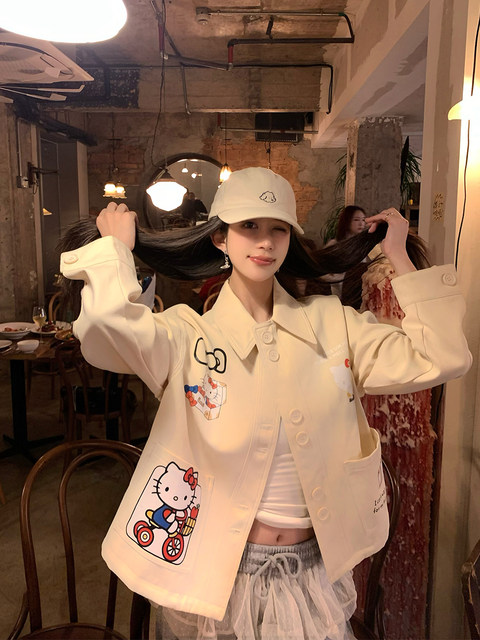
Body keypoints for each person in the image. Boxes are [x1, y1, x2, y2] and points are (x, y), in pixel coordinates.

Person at [59, 167, 471, 640]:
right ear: (220, 238)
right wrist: (115, 250)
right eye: (248, 225)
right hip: (215, 574)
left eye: (278, 229)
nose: (265, 241)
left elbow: (443, 356)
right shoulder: (188, 336)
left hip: (311, 575)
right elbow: (106, 333)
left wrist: (396, 253)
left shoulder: (333, 324)